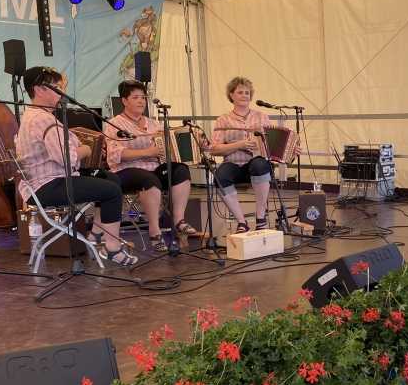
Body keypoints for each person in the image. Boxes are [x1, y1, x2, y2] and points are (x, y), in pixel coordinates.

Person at [16, 66, 137, 266]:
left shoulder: (36, 115)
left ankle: (97, 234)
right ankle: (112, 249)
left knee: (110, 178)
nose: (61, 92)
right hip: (46, 185)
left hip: (51, 179)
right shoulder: (42, 119)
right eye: (56, 87)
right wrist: (86, 150)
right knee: (112, 191)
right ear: (38, 90)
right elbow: (67, 158)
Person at [105, 80, 196, 252]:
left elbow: (166, 147)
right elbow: (116, 155)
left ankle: (178, 220)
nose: (141, 101)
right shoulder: (115, 123)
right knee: (149, 179)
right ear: (124, 101)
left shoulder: (153, 123)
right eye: (135, 97)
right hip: (125, 171)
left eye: (143, 97)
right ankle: (154, 229)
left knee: (180, 170)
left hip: (153, 168)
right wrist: (147, 152)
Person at [209, 77, 274, 232]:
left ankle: (260, 218)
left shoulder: (262, 117)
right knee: (220, 176)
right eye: (240, 92)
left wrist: (291, 149)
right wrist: (239, 145)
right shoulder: (223, 119)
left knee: (260, 164)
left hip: (256, 164)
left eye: (247, 92)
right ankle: (241, 221)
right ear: (231, 95)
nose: (245, 95)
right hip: (232, 164)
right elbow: (214, 149)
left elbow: (273, 143)